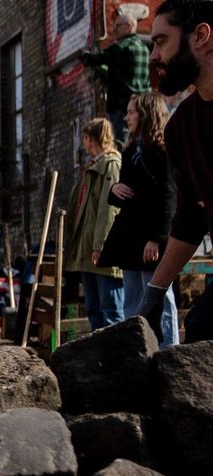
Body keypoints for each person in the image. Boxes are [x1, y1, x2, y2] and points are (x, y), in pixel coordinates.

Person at [138, 0, 213, 343]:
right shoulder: (182, 127)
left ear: (201, 36)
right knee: (202, 327)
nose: (153, 55)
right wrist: (154, 293)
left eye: (161, 41)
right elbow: (189, 221)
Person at [97, 92, 179, 346]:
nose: (127, 117)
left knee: (159, 297)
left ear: (146, 114)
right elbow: (129, 192)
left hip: (150, 239)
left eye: (132, 112)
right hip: (130, 239)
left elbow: (169, 197)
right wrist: (114, 191)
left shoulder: (163, 150)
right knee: (132, 299)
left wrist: (157, 239)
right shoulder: (132, 149)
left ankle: (169, 352)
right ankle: (139, 351)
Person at [65, 118, 124, 330]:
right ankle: (98, 358)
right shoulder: (94, 168)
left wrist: (101, 246)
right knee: (93, 308)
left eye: (85, 138)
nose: (84, 144)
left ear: (90, 139)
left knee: (111, 310)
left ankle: (115, 359)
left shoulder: (111, 166)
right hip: (88, 251)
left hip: (101, 251)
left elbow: (109, 210)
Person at [83, 14, 152, 146]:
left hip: (122, 106)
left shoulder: (121, 47)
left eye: (117, 27)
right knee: (142, 142)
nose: (114, 30)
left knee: (121, 143)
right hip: (144, 105)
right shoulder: (144, 48)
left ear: (129, 26)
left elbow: (97, 59)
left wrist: (85, 57)